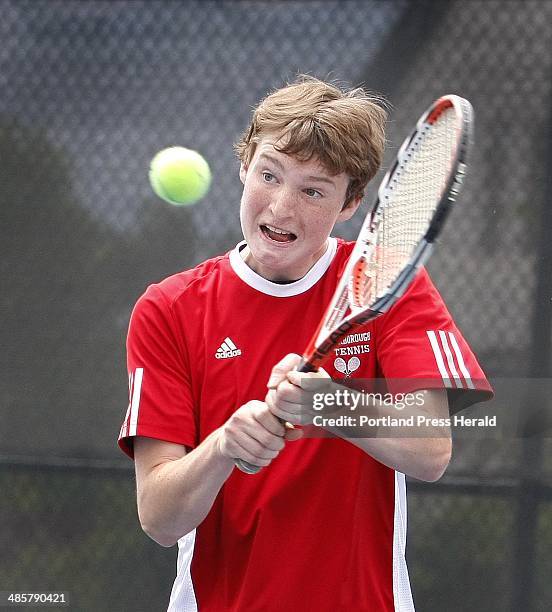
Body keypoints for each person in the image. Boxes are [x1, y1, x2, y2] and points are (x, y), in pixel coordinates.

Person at [118, 75, 492, 612]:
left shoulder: (389, 282)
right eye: (269, 175)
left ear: (351, 203)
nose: (282, 207)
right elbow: (159, 517)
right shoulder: (169, 309)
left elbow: (431, 450)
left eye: (313, 190)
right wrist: (224, 447)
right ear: (244, 166)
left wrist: (329, 403)